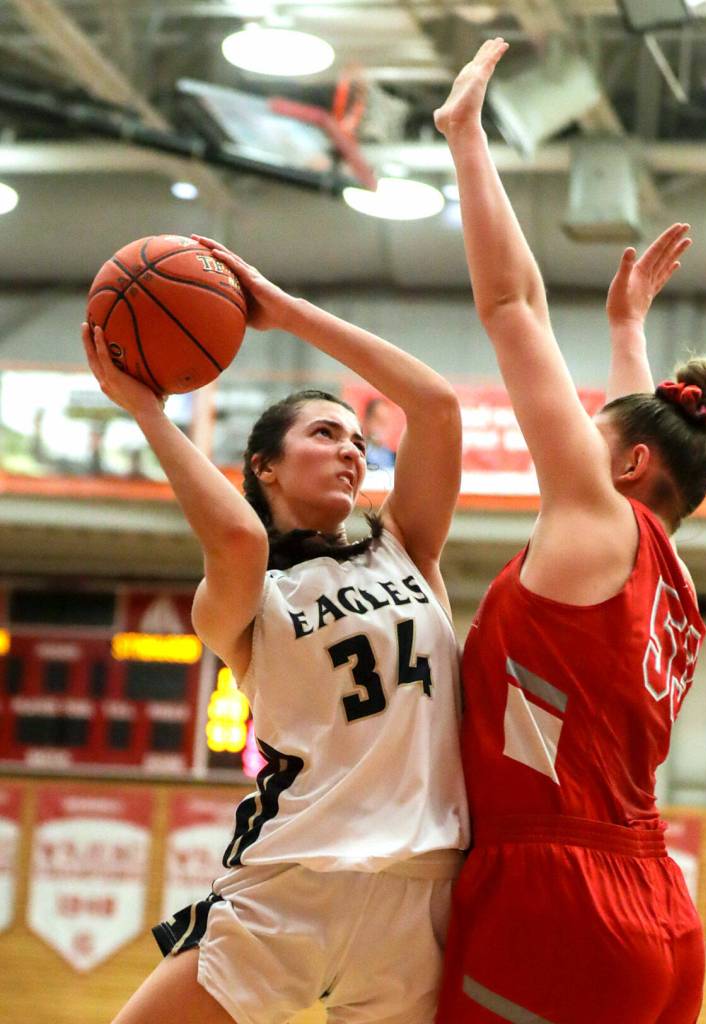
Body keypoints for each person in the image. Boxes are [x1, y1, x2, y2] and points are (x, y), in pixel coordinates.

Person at [433, 39, 706, 1024]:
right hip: (656, 908)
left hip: (556, 901)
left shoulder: (594, 513)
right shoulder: (664, 572)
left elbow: (511, 303)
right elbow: (639, 435)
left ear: (620, 469)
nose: (573, 428)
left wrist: (467, 143)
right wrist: (628, 331)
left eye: (593, 425)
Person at [82, 237, 469, 1024]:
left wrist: (281, 308)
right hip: (291, 883)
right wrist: (148, 411)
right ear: (263, 466)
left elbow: (436, 406)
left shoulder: (406, 545)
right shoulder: (245, 592)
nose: (350, 452)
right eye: (324, 434)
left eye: (357, 441)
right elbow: (235, 538)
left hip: (423, 892)